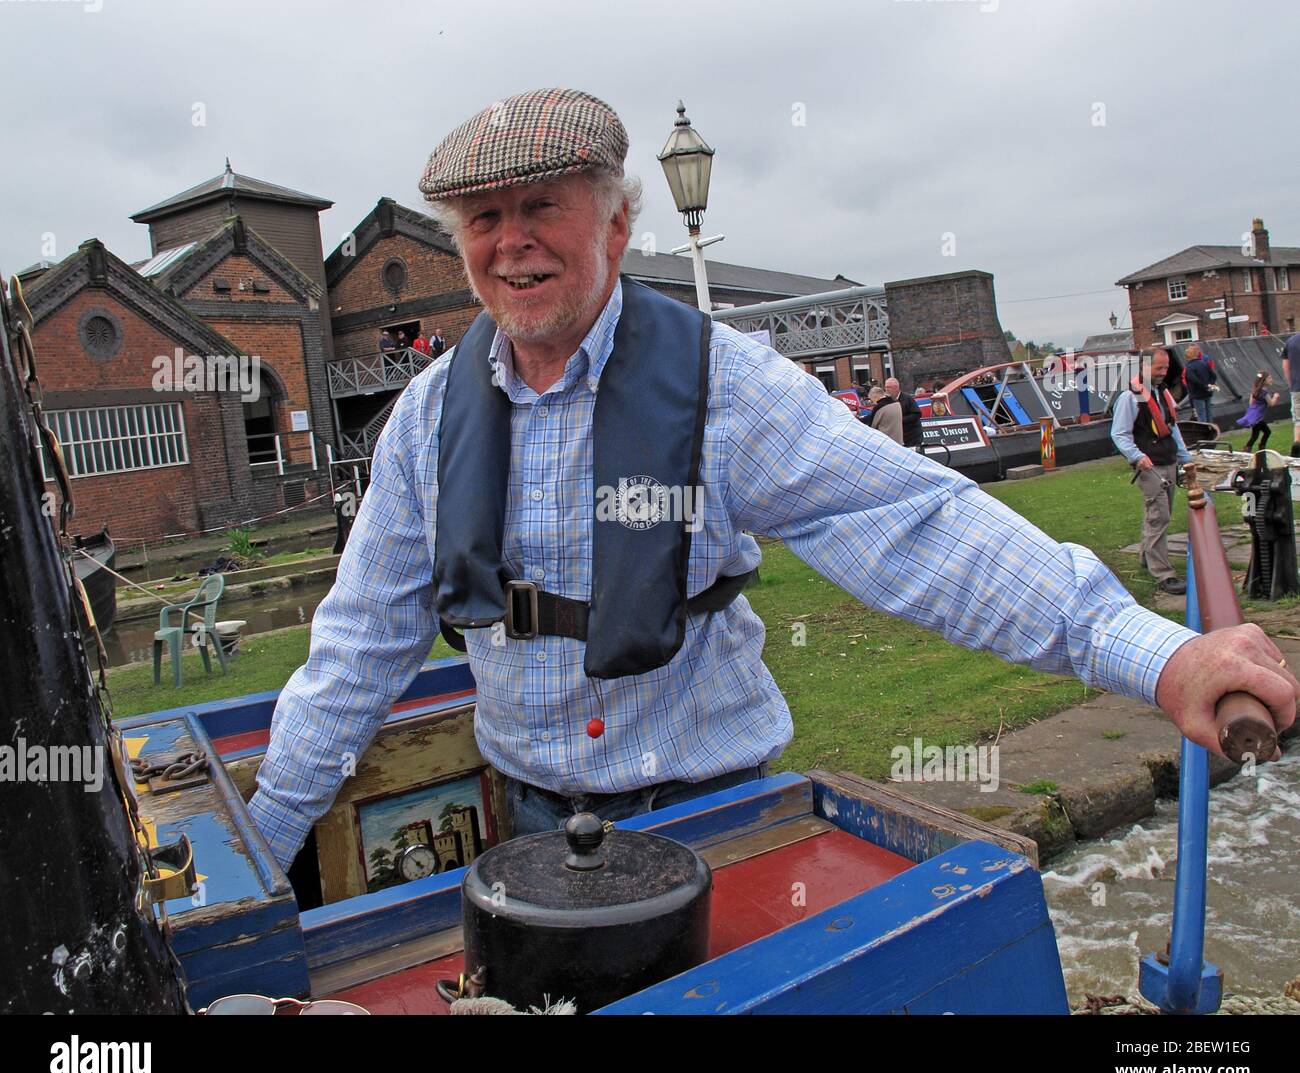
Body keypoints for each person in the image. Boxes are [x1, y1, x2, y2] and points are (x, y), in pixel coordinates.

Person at [247, 88, 1296, 868]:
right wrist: (258, 850)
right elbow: (356, 650)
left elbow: (916, 528)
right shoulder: (425, 421)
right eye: (482, 218)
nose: (511, 242)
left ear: (615, 225)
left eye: (542, 207)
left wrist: (1156, 657)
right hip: (526, 825)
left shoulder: (720, 385)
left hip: (715, 818)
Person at [1110, 347, 1194, 595]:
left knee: (1156, 513)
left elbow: (1172, 429)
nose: (1163, 372)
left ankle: (1147, 557)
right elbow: (1119, 434)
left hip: (1167, 460)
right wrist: (1137, 457)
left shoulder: (1162, 393)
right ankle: (1164, 574)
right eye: (1159, 368)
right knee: (1159, 516)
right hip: (1150, 465)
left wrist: (1185, 458)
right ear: (1144, 366)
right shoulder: (1130, 397)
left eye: (1166, 368)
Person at [1237, 372, 1281, 452]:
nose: (1271, 380)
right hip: (1257, 417)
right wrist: (1275, 396)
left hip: (1253, 415)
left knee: (1258, 434)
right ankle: (1255, 448)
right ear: (1263, 381)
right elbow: (1271, 403)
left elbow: (1251, 403)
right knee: (1263, 433)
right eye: (1269, 378)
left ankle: (1251, 448)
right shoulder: (1264, 393)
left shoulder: (1255, 391)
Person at [884, 376, 923, 450]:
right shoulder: (887, 401)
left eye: (889, 387)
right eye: (885, 387)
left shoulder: (908, 399)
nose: (886, 390)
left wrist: (900, 420)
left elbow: (917, 414)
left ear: (896, 387)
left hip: (912, 437)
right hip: (898, 439)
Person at [1182, 344, 1217, 423]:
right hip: (1208, 393)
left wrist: (1204, 386)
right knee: (1209, 414)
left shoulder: (1189, 367)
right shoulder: (1204, 363)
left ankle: (1204, 432)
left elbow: (1193, 380)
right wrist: (1210, 385)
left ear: (1188, 357)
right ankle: (1211, 431)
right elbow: (1214, 376)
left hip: (1197, 395)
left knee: (1201, 415)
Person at [1284, 330, 1300, 458]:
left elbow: (1286, 366)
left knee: (1298, 420)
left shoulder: (1291, 341)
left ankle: (1297, 443)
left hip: (1297, 388)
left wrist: (1291, 385)